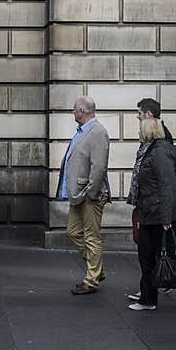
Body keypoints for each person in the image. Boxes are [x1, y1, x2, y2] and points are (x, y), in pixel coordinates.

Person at [128, 117, 176, 312]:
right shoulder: (149, 151)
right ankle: (148, 299)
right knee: (147, 256)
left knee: (168, 256)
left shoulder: (159, 153)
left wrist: (166, 218)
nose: (137, 133)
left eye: (140, 130)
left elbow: (167, 185)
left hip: (160, 212)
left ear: (147, 131)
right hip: (149, 210)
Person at [56, 96, 111, 295]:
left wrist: (91, 192)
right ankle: (97, 269)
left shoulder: (97, 132)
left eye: (74, 110)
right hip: (78, 194)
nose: (73, 113)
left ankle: (91, 280)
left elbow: (99, 166)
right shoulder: (82, 131)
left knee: (91, 237)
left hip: (90, 194)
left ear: (82, 111)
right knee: (73, 231)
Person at [127, 97, 174, 301]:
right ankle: (150, 290)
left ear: (148, 115)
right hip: (146, 205)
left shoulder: (161, 144)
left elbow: (166, 181)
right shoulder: (148, 144)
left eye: (140, 113)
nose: (137, 117)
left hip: (156, 207)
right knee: (148, 251)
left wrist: (165, 215)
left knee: (157, 252)